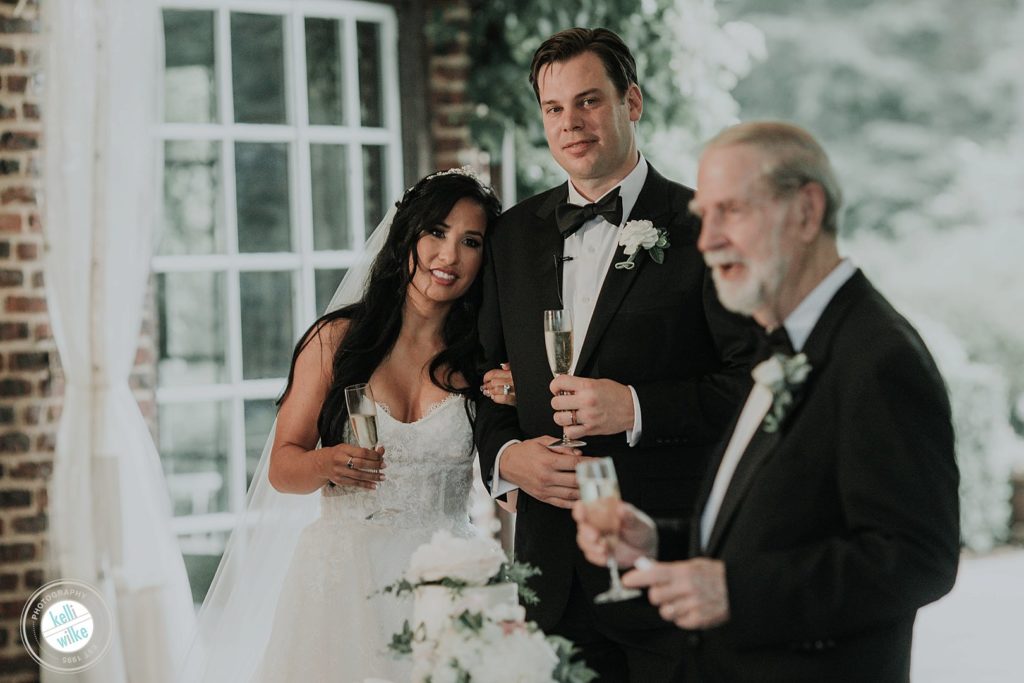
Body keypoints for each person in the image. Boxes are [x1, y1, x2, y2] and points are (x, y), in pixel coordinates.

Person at [574, 121, 961, 682]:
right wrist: (661, 540)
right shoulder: (779, 344)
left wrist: (736, 593)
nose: (707, 242)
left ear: (806, 211)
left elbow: (917, 560)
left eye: (731, 211)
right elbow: (778, 525)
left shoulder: (877, 359)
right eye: (705, 217)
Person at [474, 27, 758, 681]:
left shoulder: (704, 226)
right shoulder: (511, 238)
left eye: (588, 101)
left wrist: (632, 406)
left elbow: (753, 384)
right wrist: (505, 456)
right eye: (553, 109)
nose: (570, 123)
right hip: (550, 576)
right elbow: (481, 375)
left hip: (664, 565)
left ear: (631, 101)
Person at [178, 168, 502, 682]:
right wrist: (324, 463)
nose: (449, 257)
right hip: (345, 580)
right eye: (436, 233)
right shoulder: (336, 341)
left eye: (471, 242)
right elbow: (283, 467)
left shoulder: (482, 360)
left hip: (447, 575)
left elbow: (506, 479)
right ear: (408, 235)